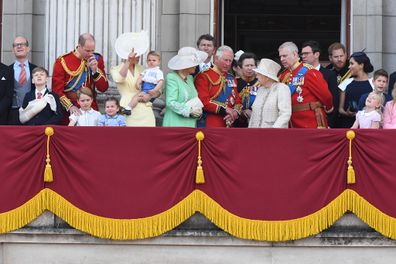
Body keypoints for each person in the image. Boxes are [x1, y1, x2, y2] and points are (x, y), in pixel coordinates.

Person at [52, 33, 109, 124]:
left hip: (90, 106)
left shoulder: (97, 59)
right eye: (87, 50)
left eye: (92, 50)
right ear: (79, 46)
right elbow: (57, 90)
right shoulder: (63, 61)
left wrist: (95, 71)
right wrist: (70, 106)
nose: (90, 54)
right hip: (70, 108)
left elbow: (103, 88)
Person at [278, 41, 333, 128]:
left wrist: (329, 107)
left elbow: (325, 94)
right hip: (291, 122)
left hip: (310, 121)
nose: (281, 59)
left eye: (284, 56)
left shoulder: (309, 71)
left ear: (295, 54)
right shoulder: (283, 75)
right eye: (280, 56)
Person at [194, 45, 242, 127]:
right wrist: (225, 109)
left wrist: (235, 113)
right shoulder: (204, 76)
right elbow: (203, 101)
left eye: (230, 61)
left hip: (229, 123)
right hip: (210, 123)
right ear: (216, 58)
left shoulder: (231, 78)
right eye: (225, 60)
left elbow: (237, 101)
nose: (228, 64)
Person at [162, 47, 207, 127]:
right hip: (175, 124)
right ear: (185, 65)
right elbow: (170, 102)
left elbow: (194, 99)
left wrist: (197, 111)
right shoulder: (172, 77)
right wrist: (189, 110)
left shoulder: (190, 78)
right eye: (193, 63)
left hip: (191, 124)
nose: (196, 65)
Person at [301, 40, 340, 127]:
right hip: (304, 122)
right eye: (302, 54)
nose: (303, 56)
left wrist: (329, 124)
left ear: (316, 54)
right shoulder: (299, 74)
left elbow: (334, 101)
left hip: (323, 121)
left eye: (306, 53)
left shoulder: (330, 74)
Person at [249, 59, 291, 128]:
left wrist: (273, 130)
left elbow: (285, 114)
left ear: (267, 77)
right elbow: (254, 115)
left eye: (259, 74)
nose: (256, 77)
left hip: (274, 134)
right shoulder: (260, 90)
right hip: (256, 134)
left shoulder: (282, 88)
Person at [338, 52, 374, 128]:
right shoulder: (346, 83)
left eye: (352, 64)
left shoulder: (373, 84)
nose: (349, 67)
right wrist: (347, 113)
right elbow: (340, 109)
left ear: (361, 65)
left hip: (367, 126)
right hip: (348, 125)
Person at [8, 36, 37, 125]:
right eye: (16, 45)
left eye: (22, 44)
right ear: (13, 50)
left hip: (32, 112)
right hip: (12, 114)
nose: (19, 46)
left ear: (28, 48)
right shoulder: (7, 70)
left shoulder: (36, 69)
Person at [234, 52, 260, 127]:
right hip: (237, 123)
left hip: (257, 123)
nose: (249, 68)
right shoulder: (235, 82)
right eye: (246, 65)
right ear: (241, 67)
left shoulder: (261, 83)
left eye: (252, 65)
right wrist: (241, 112)